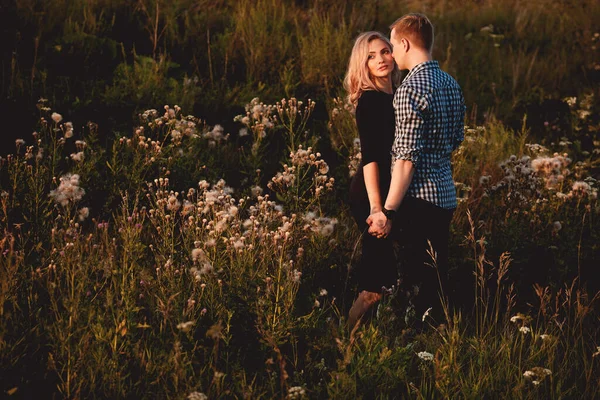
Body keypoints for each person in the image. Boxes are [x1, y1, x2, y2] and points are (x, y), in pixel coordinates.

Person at [367, 13, 465, 325]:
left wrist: (389, 210)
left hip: (418, 200)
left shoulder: (409, 89)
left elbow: (406, 160)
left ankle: (412, 345)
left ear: (405, 43)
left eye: (392, 46)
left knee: (412, 281)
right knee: (436, 275)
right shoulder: (450, 83)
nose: (391, 54)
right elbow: (457, 138)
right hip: (446, 196)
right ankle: (438, 339)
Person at [344, 31, 402, 330]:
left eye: (384, 52)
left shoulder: (396, 96)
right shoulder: (371, 102)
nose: (380, 60)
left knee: (389, 280)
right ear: (362, 65)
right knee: (374, 288)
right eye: (371, 56)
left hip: (390, 191)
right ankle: (342, 345)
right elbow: (371, 158)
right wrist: (377, 208)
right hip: (371, 193)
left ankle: (371, 341)